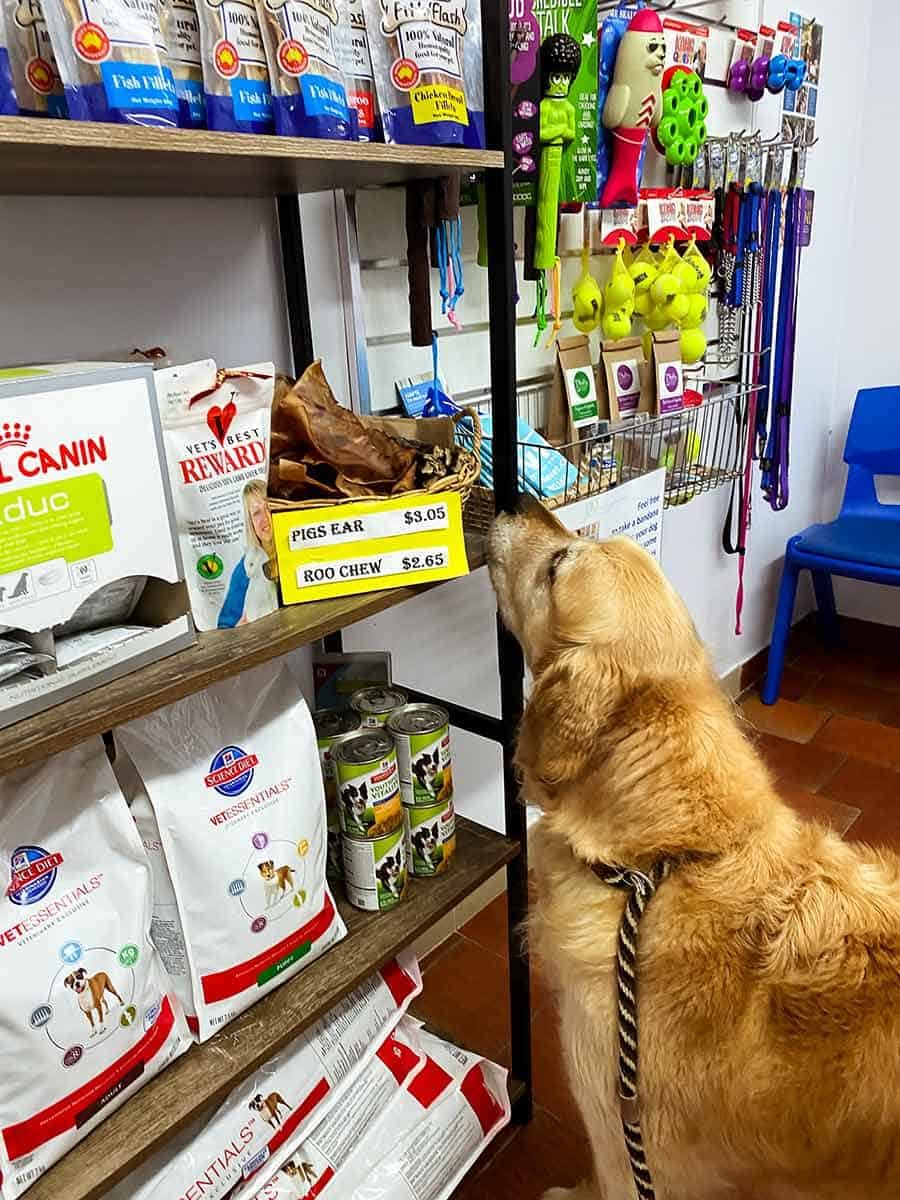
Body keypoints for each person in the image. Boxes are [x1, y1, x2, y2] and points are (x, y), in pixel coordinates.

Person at [217, 479, 278, 628]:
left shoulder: (298, 548)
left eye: (269, 508)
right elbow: (225, 627)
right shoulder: (246, 567)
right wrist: (238, 631)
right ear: (250, 521)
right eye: (256, 513)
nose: (265, 518)